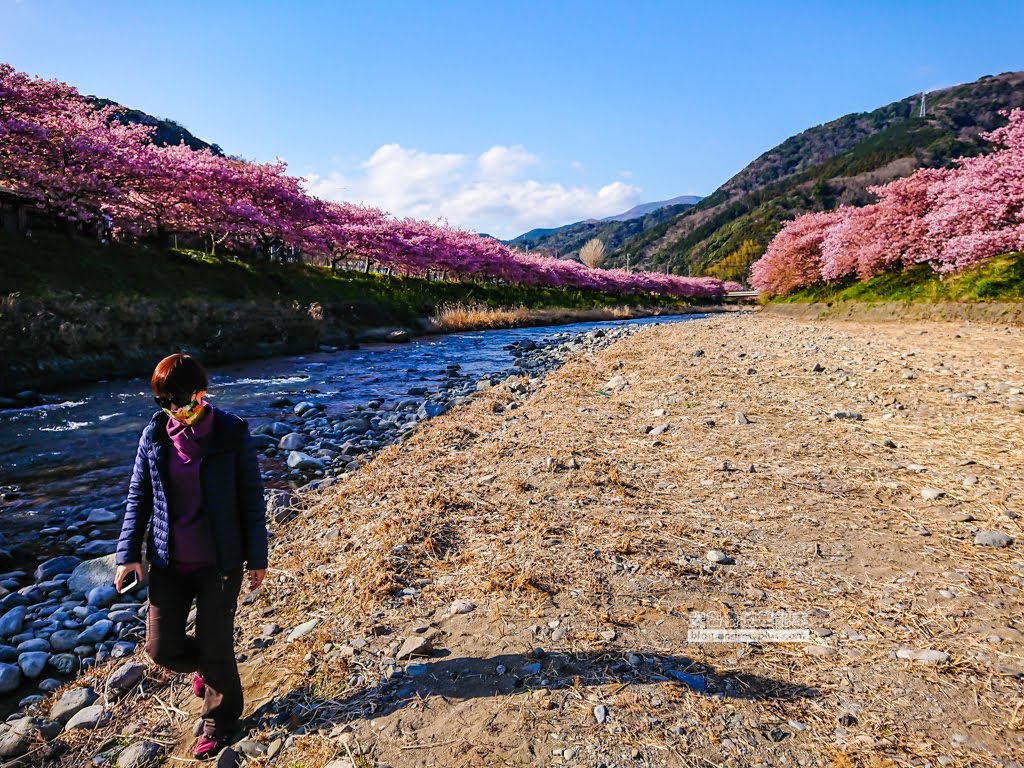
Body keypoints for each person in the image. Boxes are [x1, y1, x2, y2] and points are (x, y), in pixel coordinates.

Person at [114, 353, 268, 760]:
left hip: (220, 563)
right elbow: (138, 496)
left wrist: (257, 557)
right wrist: (128, 553)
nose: (172, 409)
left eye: (179, 400)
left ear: (201, 393)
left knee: (216, 644)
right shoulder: (154, 435)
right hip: (169, 560)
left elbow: (251, 498)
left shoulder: (231, 432)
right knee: (161, 648)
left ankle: (220, 722)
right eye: (163, 401)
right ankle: (210, 671)